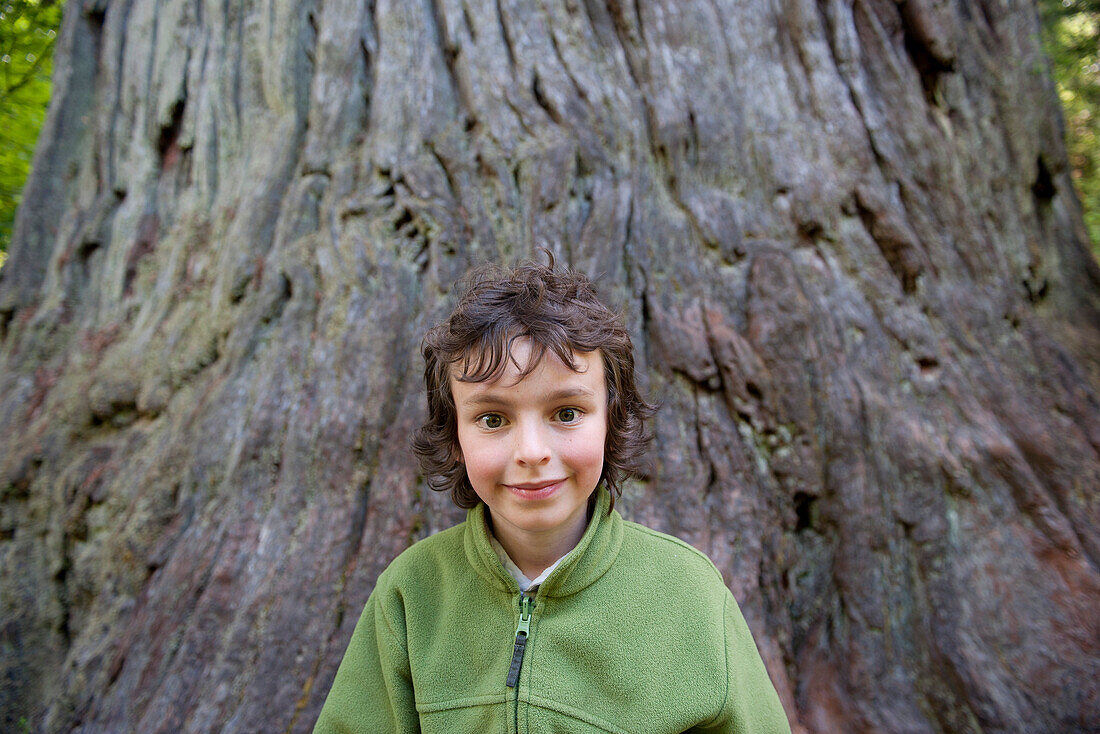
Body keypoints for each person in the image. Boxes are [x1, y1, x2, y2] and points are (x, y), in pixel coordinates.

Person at [314, 254, 791, 733]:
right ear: (455, 435)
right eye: (492, 419)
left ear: (612, 418)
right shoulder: (410, 594)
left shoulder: (690, 596)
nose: (532, 452)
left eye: (566, 413)